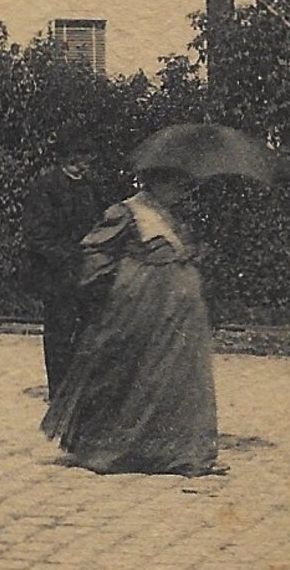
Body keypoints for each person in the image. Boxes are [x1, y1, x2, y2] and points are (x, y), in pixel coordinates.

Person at [42, 165, 220, 476]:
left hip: (177, 313)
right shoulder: (128, 211)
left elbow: (179, 249)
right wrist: (122, 277)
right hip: (140, 306)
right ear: (155, 182)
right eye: (173, 184)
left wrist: (190, 255)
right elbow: (94, 250)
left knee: (176, 378)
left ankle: (178, 451)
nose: (179, 192)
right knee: (130, 372)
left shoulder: (169, 216)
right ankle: (110, 447)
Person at [22, 137, 104, 397]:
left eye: (85, 160)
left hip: (89, 271)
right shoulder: (45, 187)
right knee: (59, 333)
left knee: (88, 330)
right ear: (63, 159)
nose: (81, 166)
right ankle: (59, 391)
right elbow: (37, 235)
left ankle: (80, 388)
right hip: (57, 273)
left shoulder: (92, 187)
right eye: (75, 160)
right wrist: (68, 257)